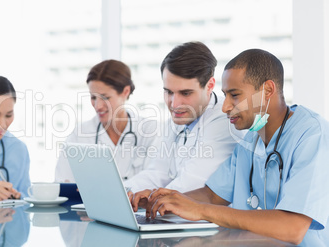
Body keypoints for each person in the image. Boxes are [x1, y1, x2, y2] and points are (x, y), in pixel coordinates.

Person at [139, 49, 329, 245]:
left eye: (235, 95)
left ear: (268, 91)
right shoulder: (252, 138)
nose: (225, 107)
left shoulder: (313, 135)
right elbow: (212, 195)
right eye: (225, 95)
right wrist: (166, 200)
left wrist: (201, 210)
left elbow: (293, 228)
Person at [125, 41, 245, 196]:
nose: (174, 104)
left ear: (209, 86)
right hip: (175, 215)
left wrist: (149, 197)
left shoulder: (225, 121)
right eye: (168, 92)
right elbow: (157, 174)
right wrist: (121, 192)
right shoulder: (179, 119)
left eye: (186, 93)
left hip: (206, 218)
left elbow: (191, 184)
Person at [55, 59, 157, 182]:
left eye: (105, 97)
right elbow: (63, 181)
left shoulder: (149, 130)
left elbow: (155, 180)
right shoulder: (80, 134)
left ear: (125, 92)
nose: (98, 106)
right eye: (93, 97)